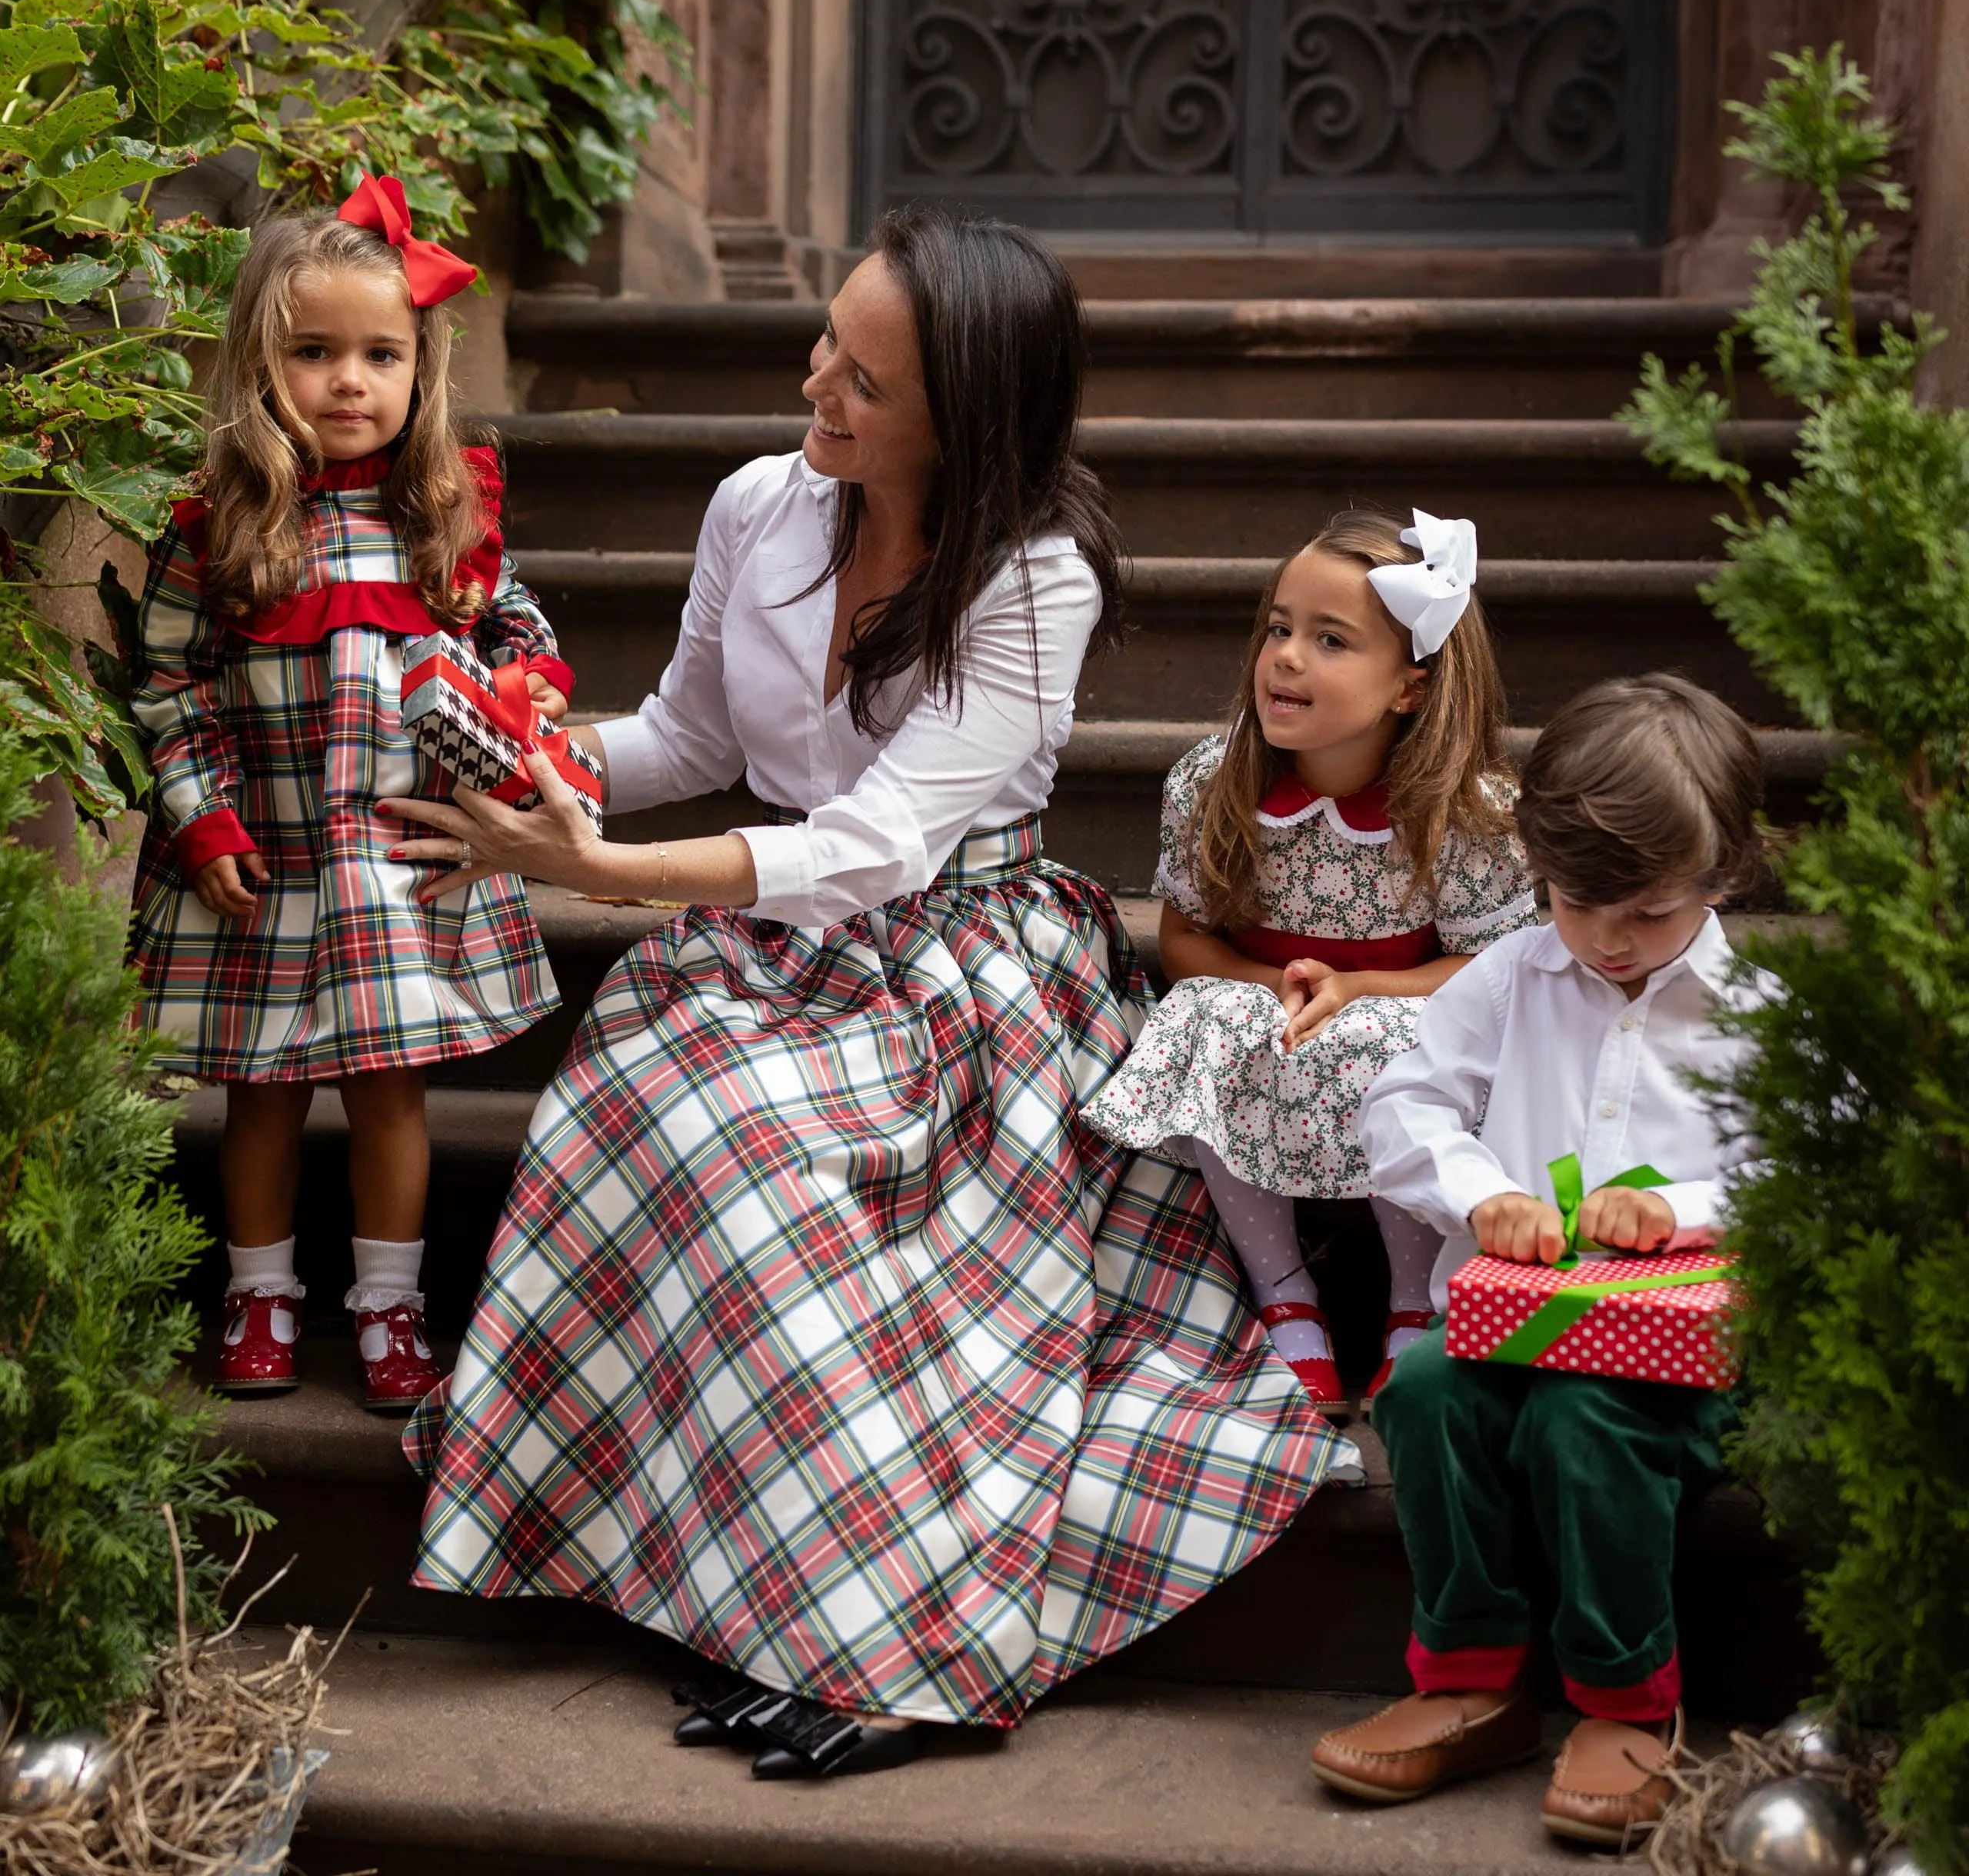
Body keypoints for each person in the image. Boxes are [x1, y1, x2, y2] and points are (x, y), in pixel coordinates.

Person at [381, 205, 1343, 1779]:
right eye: (825, 340)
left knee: (770, 1173)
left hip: (961, 970)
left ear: (964, 417)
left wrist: (588, 872)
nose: (816, 383)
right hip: (764, 949)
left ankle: (893, 1646)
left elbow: (880, 843)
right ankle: (715, 1566)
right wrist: (521, 752)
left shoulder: (1036, 576)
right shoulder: (761, 500)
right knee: (635, 1102)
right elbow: (687, 738)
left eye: (864, 381)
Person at [128, 176, 574, 1412]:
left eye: (380, 355)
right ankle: (258, 1292)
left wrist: (525, 679)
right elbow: (167, 680)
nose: (348, 383)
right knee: (261, 1096)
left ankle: (389, 1308)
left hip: (394, 864)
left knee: (391, 1096)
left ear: (421, 367)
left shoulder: (445, 511)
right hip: (263, 857)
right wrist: (199, 816)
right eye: (312, 353)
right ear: (260, 362)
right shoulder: (220, 523)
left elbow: (509, 620)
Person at [1312, 673, 1774, 1842]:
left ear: (1725, 876)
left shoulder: (1758, 1010)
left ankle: (1625, 1701)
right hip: (1514, 1324)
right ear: (1536, 866)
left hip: (1677, 1366)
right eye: (1581, 903)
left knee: (1580, 1422)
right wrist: (1488, 1193)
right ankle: (1470, 1679)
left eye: (1653, 913)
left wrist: (1683, 1209)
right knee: (1421, 1392)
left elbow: (1806, 1169)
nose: (1614, 939)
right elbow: (1402, 1106)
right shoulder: (1512, 976)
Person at [1084, 510, 1534, 1412]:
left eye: (1330, 640)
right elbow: (1183, 940)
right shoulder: (1215, 784)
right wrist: (1273, 983)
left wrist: (1361, 984)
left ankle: (1412, 1301)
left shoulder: (1466, 814)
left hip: (1395, 1002)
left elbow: (1495, 965)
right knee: (1212, 1017)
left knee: (1399, 1044)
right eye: (1279, 628)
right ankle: (1284, 1293)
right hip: (1269, 1003)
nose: (1287, 656)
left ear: (1409, 688)